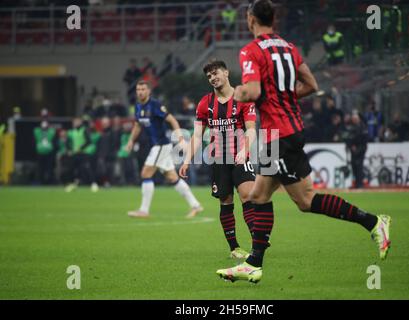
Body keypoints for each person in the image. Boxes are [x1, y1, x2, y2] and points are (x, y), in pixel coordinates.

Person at [216, 0, 392, 284]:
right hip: (284, 131)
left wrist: (235, 94)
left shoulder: (250, 51)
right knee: (257, 196)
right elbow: (312, 85)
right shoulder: (289, 48)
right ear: (273, 18)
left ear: (250, 19)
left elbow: (251, 91)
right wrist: (283, 98)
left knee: (306, 200)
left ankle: (373, 222)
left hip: (279, 134)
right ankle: (253, 263)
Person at [179, 60, 257, 260]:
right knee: (226, 201)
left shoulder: (243, 98)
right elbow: (197, 136)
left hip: (240, 156)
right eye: (209, 76)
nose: (213, 78)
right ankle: (235, 247)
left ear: (226, 73)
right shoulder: (205, 103)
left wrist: (244, 150)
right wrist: (187, 160)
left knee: (247, 196)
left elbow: (251, 130)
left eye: (215, 73)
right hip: (219, 159)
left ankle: (257, 242)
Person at [126, 80, 203, 218]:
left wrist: (180, 139)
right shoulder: (138, 107)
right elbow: (137, 125)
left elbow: (172, 120)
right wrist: (131, 140)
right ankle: (196, 205)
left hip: (161, 145)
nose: (140, 92)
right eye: (138, 89)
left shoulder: (155, 105)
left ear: (149, 91)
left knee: (145, 174)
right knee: (172, 177)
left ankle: (144, 210)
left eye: (143, 89)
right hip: (157, 146)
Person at [65, 117, 99, 193]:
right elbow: (67, 143)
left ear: (80, 122)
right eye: (74, 122)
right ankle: (73, 184)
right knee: (72, 169)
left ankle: (93, 184)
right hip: (74, 154)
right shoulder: (71, 132)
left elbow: (89, 141)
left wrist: (81, 148)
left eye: (77, 122)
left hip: (83, 153)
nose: (75, 123)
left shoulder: (84, 130)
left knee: (87, 168)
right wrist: (69, 150)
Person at [345, 112, 368, 189]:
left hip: (361, 149)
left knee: (359, 166)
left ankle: (360, 184)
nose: (354, 120)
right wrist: (351, 146)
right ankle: (356, 183)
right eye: (353, 119)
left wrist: (357, 148)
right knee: (354, 166)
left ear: (358, 119)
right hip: (353, 149)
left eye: (355, 119)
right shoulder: (351, 127)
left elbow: (364, 140)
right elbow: (348, 138)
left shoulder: (363, 127)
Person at [33, 120, 56, 184]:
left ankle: (49, 181)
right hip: (40, 152)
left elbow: (54, 140)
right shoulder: (37, 131)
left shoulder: (51, 131)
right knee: (40, 168)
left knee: (49, 168)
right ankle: (40, 181)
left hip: (49, 152)